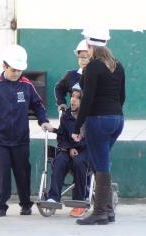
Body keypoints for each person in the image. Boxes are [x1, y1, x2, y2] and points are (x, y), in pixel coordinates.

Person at [0, 44, 54, 217]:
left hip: (21, 138)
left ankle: (25, 204)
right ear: (4, 66)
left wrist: (43, 121)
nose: (17, 73)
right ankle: (0, 206)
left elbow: (38, 105)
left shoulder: (27, 85)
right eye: (13, 69)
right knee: (2, 173)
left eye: (20, 70)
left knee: (23, 172)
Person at [72, 29, 125, 225]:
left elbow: (87, 100)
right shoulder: (117, 65)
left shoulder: (93, 66)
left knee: (99, 164)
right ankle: (108, 211)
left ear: (89, 44)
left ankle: (100, 211)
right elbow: (122, 96)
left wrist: (77, 127)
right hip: (117, 119)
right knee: (100, 162)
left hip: (99, 120)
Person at [47, 86, 89, 218]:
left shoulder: (89, 118)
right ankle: (53, 197)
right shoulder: (65, 117)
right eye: (72, 96)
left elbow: (92, 139)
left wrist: (78, 147)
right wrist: (70, 148)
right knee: (59, 161)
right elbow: (61, 137)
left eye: (78, 98)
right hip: (67, 150)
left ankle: (78, 202)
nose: (73, 100)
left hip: (85, 151)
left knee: (79, 162)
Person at [54, 39, 89, 111]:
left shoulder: (100, 75)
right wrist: (61, 103)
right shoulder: (71, 75)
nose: (82, 60)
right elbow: (59, 88)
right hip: (74, 117)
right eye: (80, 57)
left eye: (86, 57)